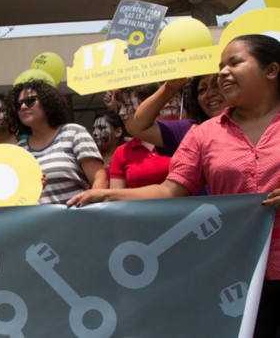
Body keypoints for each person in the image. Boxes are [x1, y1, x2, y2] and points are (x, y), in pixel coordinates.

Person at [67, 34, 280, 337]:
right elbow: (170, 190)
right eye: (220, 65)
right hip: (240, 271)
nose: (222, 73)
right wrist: (106, 193)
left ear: (272, 70)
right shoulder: (203, 135)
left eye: (235, 63)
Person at [7, 80, 107, 204]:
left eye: (30, 101)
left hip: (75, 220)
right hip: (35, 222)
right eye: (18, 104)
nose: (23, 107)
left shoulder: (74, 133)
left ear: (47, 102)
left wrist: (90, 208)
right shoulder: (19, 150)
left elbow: (99, 178)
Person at [126, 74, 226, 156]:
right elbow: (137, 127)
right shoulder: (190, 131)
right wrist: (170, 88)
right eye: (202, 90)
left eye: (217, 84)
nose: (209, 93)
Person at [91, 110, 126, 176]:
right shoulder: (89, 159)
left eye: (101, 128)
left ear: (118, 132)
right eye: (93, 129)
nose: (94, 133)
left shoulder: (127, 157)